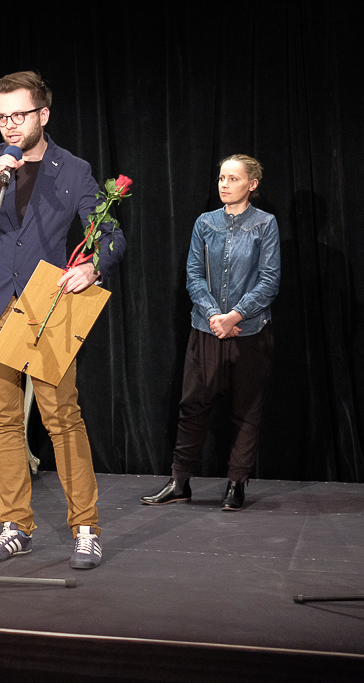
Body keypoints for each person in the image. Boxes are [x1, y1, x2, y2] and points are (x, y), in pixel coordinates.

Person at [0, 71, 126, 570]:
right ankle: (15, 526)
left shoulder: (73, 169)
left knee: (62, 418)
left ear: (43, 114)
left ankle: (85, 528)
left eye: (19, 115)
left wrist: (93, 266)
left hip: (46, 306)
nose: (9, 125)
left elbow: (109, 233)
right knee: (1, 421)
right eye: (1, 117)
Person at [141, 155, 280, 512]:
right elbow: (193, 274)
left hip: (249, 332)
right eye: (221, 178)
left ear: (252, 184)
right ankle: (179, 481)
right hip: (207, 329)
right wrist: (215, 315)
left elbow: (269, 280)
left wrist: (235, 315)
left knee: (246, 410)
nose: (224, 184)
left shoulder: (265, 224)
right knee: (192, 406)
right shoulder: (205, 222)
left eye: (233, 178)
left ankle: (236, 483)